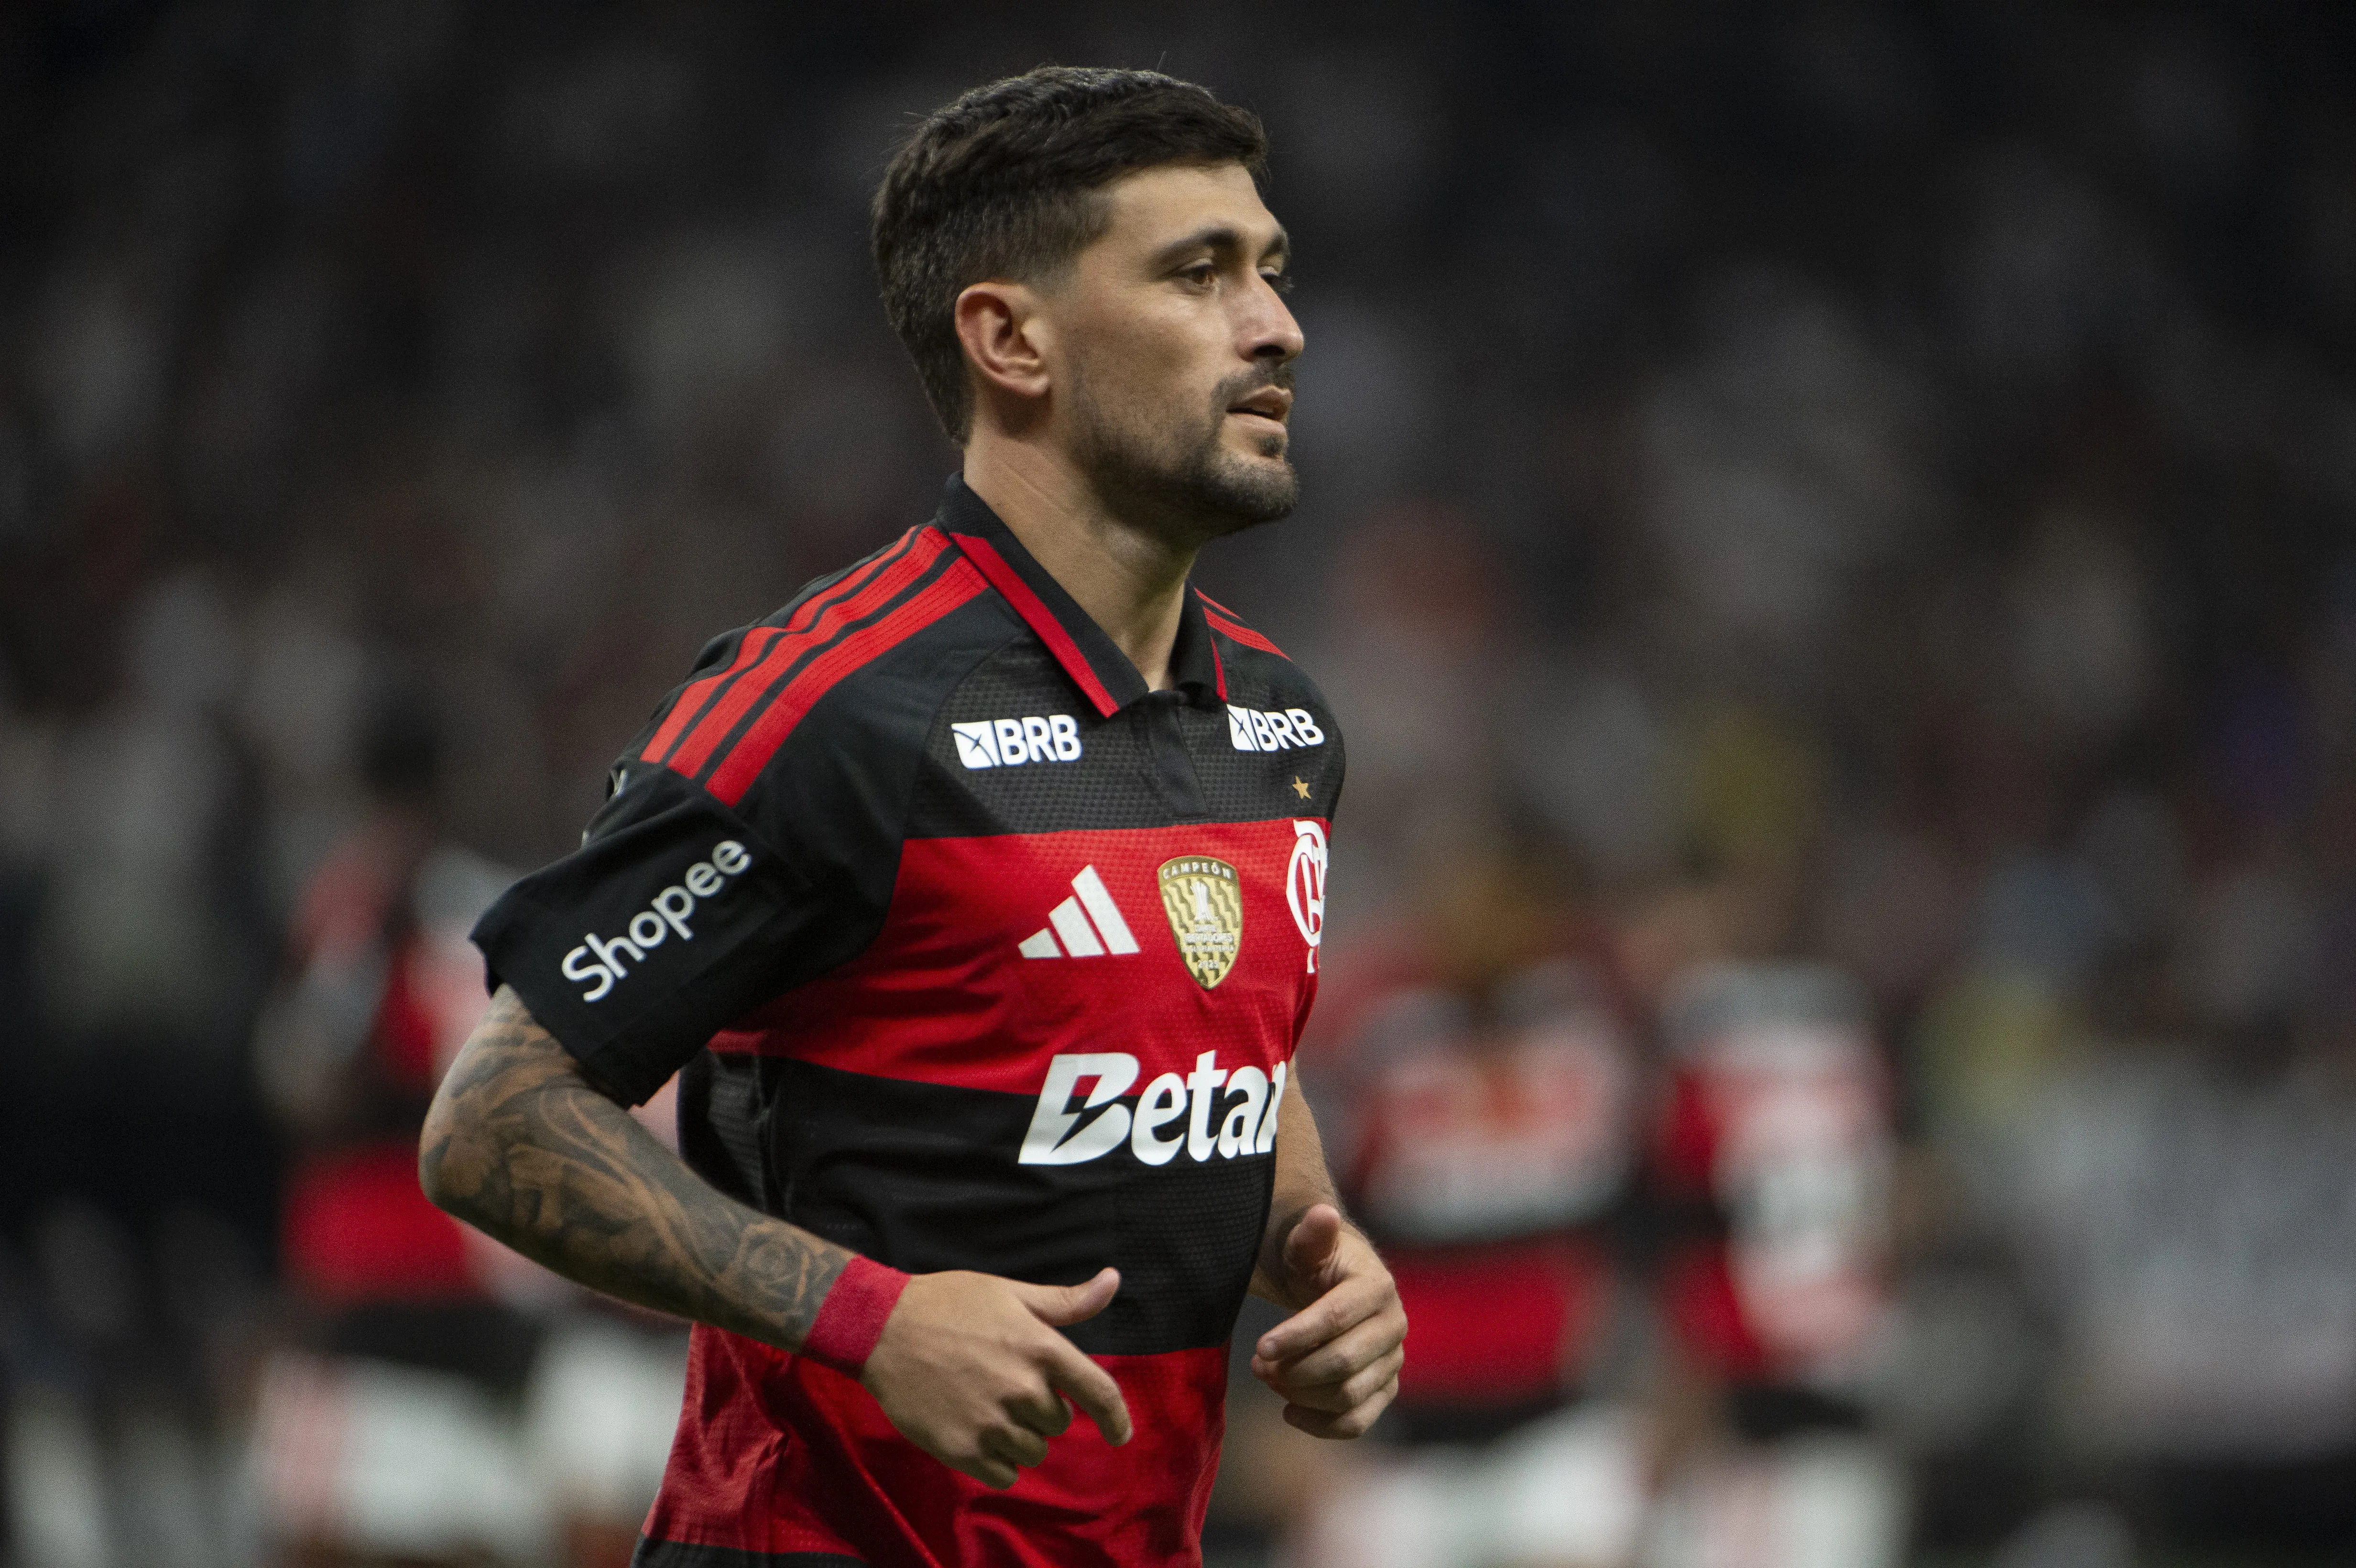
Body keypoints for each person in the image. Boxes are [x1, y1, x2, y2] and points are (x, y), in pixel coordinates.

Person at [420, 65, 1405, 1568]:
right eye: (1198, 274)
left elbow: (1215, 1059)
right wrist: (867, 1318)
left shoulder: (1279, 730)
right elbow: (493, 1125)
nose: (1277, 326)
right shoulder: (836, 711)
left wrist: (1316, 1249)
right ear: (1012, 340)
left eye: (1270, 270)